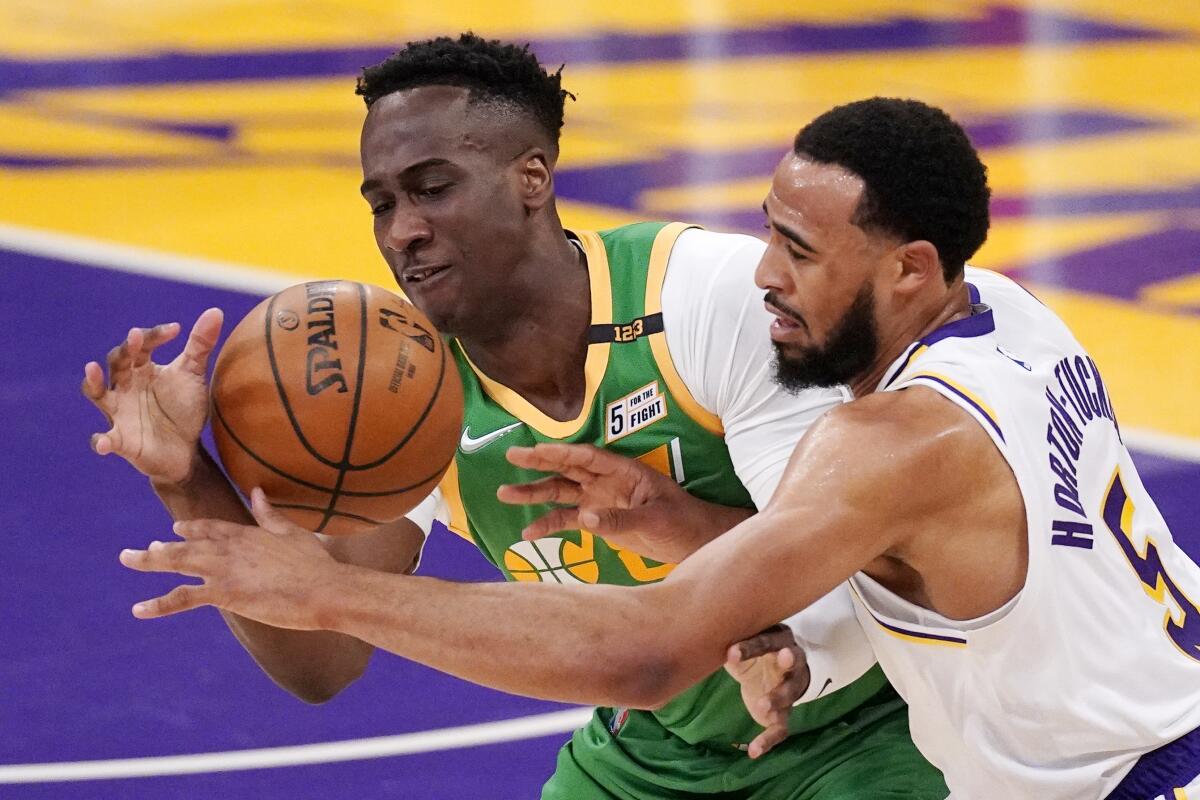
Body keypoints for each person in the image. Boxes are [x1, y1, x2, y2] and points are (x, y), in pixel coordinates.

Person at [115, 96, 1200, 798]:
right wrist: (677, 521)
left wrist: (327, 587)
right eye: (770, 232)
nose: (767, 270)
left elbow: (646, 649)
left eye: (800, 249)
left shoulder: (890, 438)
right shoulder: (1006, 314)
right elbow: (898, 557)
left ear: (909, 268)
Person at [84, 35, 946, 798]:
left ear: (532, 177)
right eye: (381, 202)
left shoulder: (710, 299)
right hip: (659, 750)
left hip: (869, 723)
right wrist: (184, 473)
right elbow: (323, 658)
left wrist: (707, 561)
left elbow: (853, 572)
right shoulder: (402, 392)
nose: (403, 231)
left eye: (432, 188)